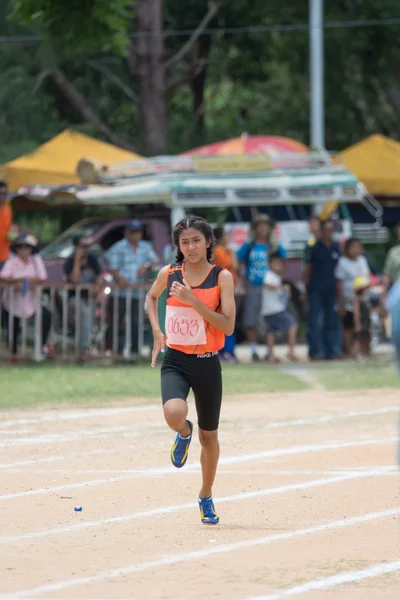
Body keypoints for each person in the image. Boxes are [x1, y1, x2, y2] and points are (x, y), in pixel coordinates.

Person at [146, 215, 235, 525]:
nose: (191, 246)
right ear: (178, 247)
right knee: (173, 412)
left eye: (196, 240)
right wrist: (157, 331)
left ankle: (206, 495)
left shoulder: (221, 277)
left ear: (208, 242)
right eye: (185, 242)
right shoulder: (169, 274)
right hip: (176, 359)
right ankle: (184, 432)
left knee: (210, 437)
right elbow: (151, 297)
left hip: (207, 363)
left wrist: (193, 300)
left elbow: (228, 324)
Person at [105, 219, 160, 357]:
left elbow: (155, 261)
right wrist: (119, 279)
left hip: (136, 293)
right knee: (116, 321)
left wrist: (146, 265)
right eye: (133, 232)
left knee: (136, 321)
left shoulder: (146, 247)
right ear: (127, 233)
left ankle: (135, 352)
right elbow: (112, 267)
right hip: (120, 292)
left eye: (138, 232)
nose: (136, 235)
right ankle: (114, 351)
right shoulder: (118, 247)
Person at [237, 214, 286, 361]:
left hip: (270, 288)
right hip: (254, 286)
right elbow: (237, 261)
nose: (263, 229)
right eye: (259, 226)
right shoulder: (249, 246)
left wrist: (280, 282)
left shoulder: (275, 247)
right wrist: (240, 280)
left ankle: (269, 350)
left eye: (266, 226)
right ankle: (253, 349)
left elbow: (283, 265)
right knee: (251, 318)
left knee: (269, 319)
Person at [0, 234, 52, 360]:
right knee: (13, 328)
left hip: (30, 301)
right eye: (21, 247)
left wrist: (24, 280)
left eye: (27, 247)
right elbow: (3, 277)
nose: (24, 250)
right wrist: (22, 280)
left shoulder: (35, 260)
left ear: (31, 249)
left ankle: (40, 349)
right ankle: (14, 355)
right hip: (12, 301)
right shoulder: (12, 261)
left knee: (46, 316)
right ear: (17, 249)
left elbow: (42, 277)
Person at [304, 219, 341, 360]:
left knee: (331, 321)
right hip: (315, 289)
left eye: (331, 230)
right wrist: (305, 289)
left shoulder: (337, 248)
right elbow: (308, 269)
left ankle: (331, 350)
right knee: (315, 321)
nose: (328, 233)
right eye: (326, 230)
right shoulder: (314, 247)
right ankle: (315, 351)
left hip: (331, 290)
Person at [63, 236, 103, 360]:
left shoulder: (92, 258)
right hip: (74, 297)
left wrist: (97, 285)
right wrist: (77, 260)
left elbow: (100, 275)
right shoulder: (69, 261)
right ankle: (85, 349)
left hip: (89, 297)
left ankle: (86, 347)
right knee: (85, 314)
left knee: (90, 320)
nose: (85, 249)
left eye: (87, 246)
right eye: (82, 246)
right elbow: (74, 279)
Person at [335, 238, 370, 356]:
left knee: (364, 324)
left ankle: (364, 349)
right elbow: (339, 284)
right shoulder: (343, 262)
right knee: (349, 325)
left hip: (362, 298)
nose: (356, 250)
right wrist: (340, 304)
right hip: (348, 298)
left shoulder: (362, 261)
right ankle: (349, 350)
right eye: (353, 247)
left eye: (357, 247)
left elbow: (367, 278)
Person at [261, 254, 298, 363]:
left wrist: (285, 292)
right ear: (269, 264)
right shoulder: (269, 275)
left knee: (271, 331)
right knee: (292, 324)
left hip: (270, 309)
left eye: (279, 264)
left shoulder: (276, 277)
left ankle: (271, 355)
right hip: (275, 309)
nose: (278, 266)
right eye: (275, 263)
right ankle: (291, 350)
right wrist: (280, 288)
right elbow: (267, 285)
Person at [213, 226, 239, 362]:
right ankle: (225, 350)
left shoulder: (225, 250)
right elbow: (232, 265)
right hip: (221, 290)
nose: (228, 238)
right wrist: (232, 254)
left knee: (229, 320)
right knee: (226, 320)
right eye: (226, 235)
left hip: (228, 290)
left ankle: (228, 350)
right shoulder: (218, 251)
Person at [352, 275, 373, 358]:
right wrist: (357, 324)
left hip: (367, 322)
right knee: (358, 338)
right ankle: (358, 353)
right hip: (361, 322)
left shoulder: (366, 299)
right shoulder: (357, 300)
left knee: (367, 337)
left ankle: (366, 353)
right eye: (366, 288)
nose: (367, 290)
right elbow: (356, 313)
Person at [0, 181, 13, 269]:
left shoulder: (8, 211)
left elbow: (9, 234)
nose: (1, 197)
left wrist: (13, 233)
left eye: (4, 194)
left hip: (4, 257)